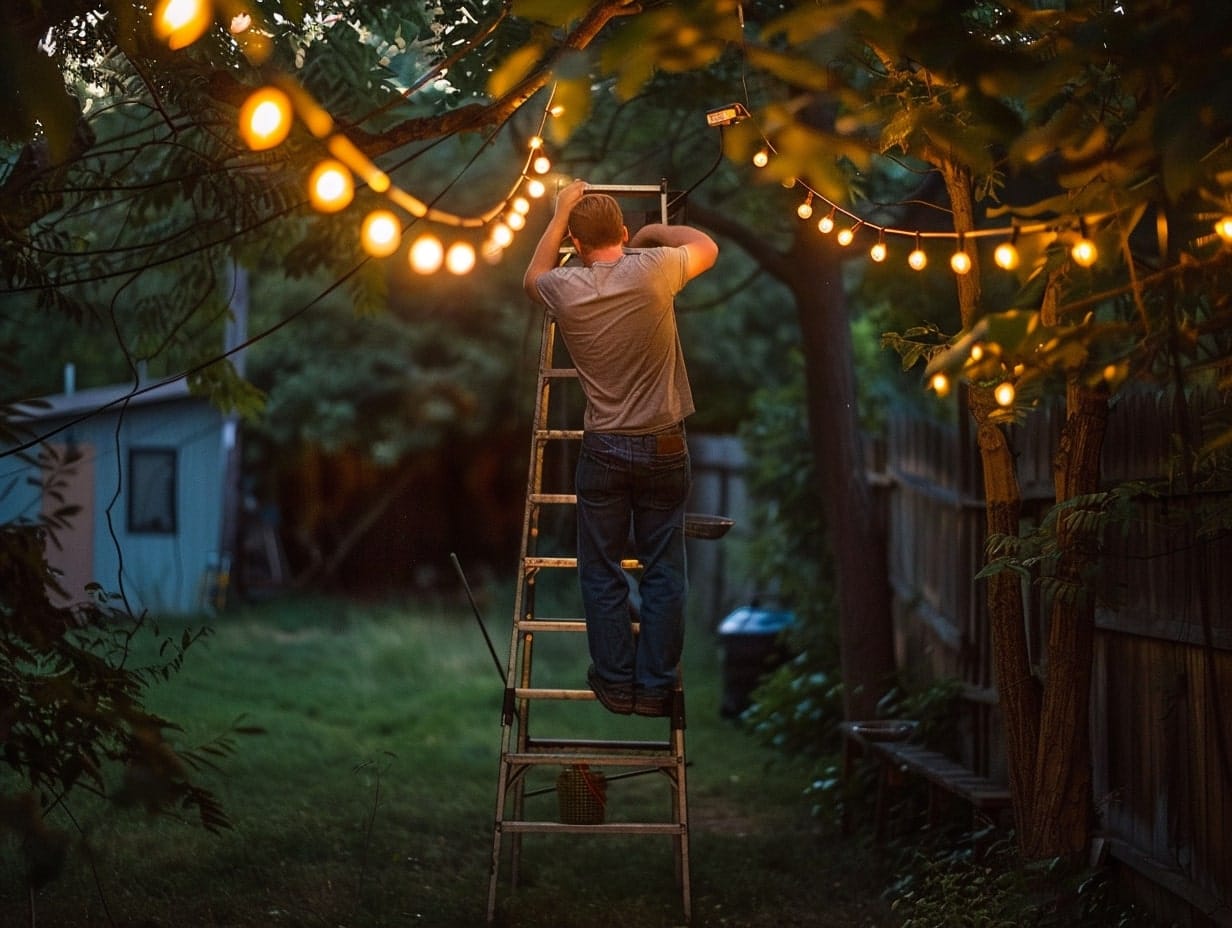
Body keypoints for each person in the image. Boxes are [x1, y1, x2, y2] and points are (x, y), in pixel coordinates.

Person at [523, 180, 719, 717]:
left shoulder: (565, 287)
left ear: (577, 245)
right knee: (663, 570)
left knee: (601, 568)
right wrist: (656, 233)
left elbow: (530, 278)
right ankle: (656, 687)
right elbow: (707, 246)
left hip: (605, 449)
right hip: (664, 446)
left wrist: (560, 211)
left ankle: (615, 681)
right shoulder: (654, 268)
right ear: (624, 234)